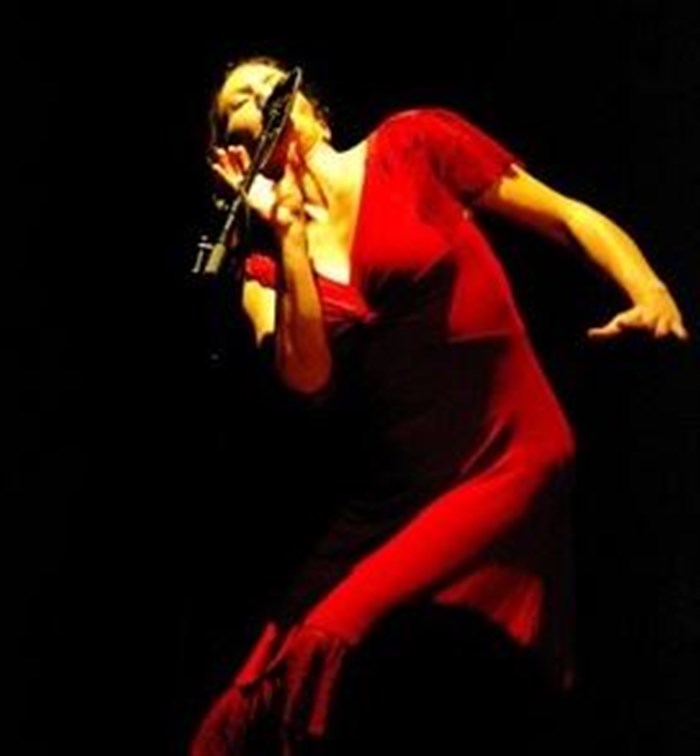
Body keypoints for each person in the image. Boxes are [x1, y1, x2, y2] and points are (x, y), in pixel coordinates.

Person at [189, 56, 689, 756]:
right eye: (238, 99)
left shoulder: (414, 144)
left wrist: (649, 289)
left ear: (314, 110)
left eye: (268, 81)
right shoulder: (263, 268)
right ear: (232, 154)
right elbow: (306, 379)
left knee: (329, 642)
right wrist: (291, 236)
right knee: (251, 698)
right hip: (399, 495)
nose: (260, 94)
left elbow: (567, 216)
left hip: (508, 453)